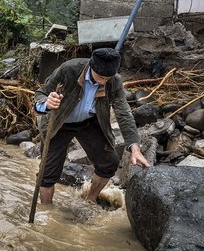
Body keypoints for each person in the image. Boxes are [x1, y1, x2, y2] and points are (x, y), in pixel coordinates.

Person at [34, 47, 149, 204]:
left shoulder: (113, 81)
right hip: (58, 124)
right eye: (100, 77)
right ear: (91, 67)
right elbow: (40, 94)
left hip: (88, 123)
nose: (103, 82)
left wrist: (134, 146)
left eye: (107, 78)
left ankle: (90, 200)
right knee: (47, 175)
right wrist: (47, 103)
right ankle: (47, 210)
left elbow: (123, 112)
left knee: (109, 163)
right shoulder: (69, 70)